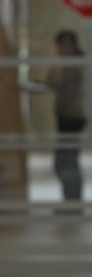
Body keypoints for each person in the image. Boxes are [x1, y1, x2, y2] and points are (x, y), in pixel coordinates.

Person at [46, 29, 87, 203]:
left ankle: (73, 202)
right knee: (66, 161)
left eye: (63, 46)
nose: (61, 50)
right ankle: (71, 200)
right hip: (67, 117)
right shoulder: (70, 64)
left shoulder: (75, 66)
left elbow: (59, 87)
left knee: (66, 161)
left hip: (73, 117)